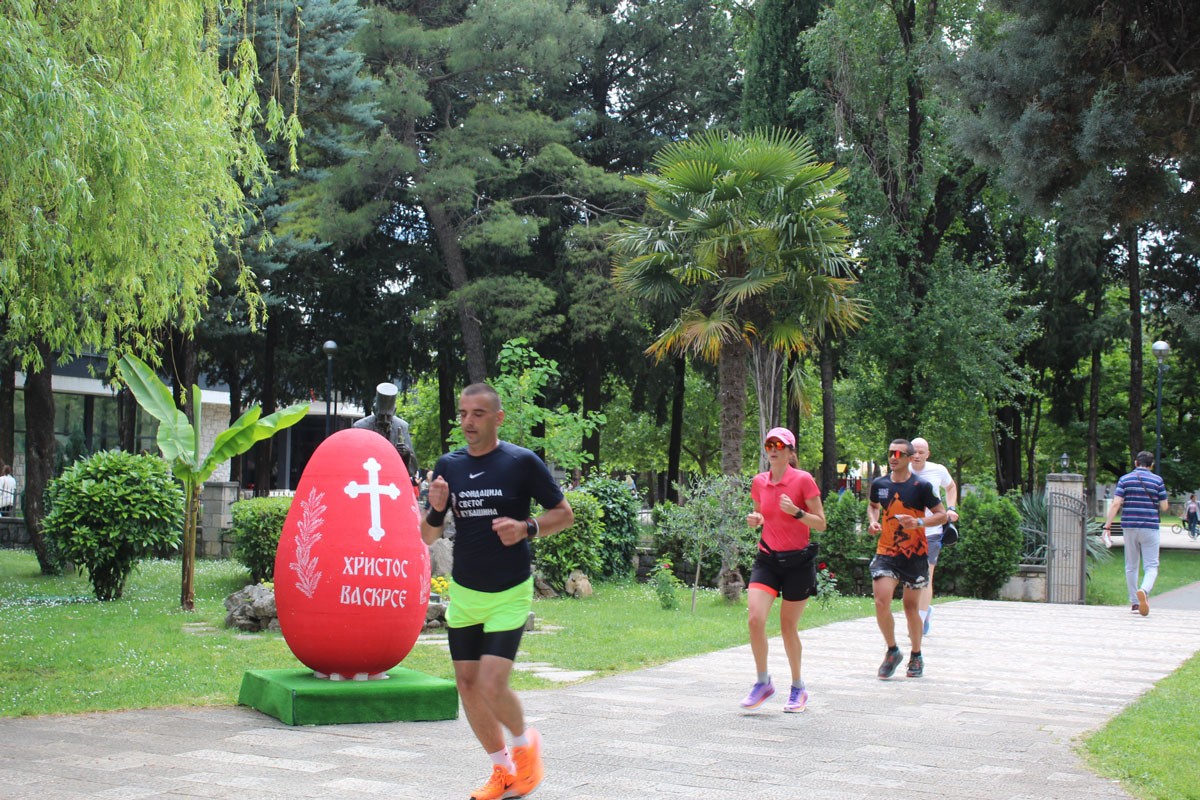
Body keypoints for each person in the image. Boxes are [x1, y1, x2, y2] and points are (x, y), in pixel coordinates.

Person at [420, 383, 574, 800]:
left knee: (491, 682)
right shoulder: (447, 466)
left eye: (478, 414)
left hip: (509, 590)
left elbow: (564, 514)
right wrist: (435, 507)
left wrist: (527, 528)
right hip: (466, 591)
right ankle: (502, 770)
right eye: (463, 414)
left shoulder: (521, 462)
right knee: (467, 685)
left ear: (498, 418)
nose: (468, 422)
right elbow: (428, 535)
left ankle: (526, 747)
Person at [741, 427, 826, 713]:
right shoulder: (759, 482)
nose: (773, 449)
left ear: (791, 451)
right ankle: (763, 682)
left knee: (788, 626)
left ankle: (798, 687)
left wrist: (798, 513)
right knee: (755, 619)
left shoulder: (803, 481)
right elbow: (763, 514)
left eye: (780, 445)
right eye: (769, 444)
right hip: (767, 559)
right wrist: (756, 519)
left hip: (798, 563)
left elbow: (821, 523)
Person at [866, 439, 947, 679]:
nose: (893, 457)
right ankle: (892, 650)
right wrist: (873, 520)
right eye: (891, 453)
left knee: (911, 607)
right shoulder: (879, 484)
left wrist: (919, 522)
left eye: (899, 453)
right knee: (881, 600)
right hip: (887, 552)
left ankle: (916, 654)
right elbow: (873, 505)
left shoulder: (921, 486)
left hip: (915, 554)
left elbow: (942, 515)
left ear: (909, 458)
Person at [1102, 451, 1168, 616]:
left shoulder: (1125, 479)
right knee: (1151, 566)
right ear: (1151, 465)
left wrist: (1107, 526)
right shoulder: (1157, 480)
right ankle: (1144, 591)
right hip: (1150, 527)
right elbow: (1165, 507)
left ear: (1135, 463)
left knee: (1131, 565)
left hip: (1129, 526)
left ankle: (1135, 603)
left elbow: (1116, 503)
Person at [909, 437, 958, 635]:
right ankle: (924, 612)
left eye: (922, 452)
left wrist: (951, 508)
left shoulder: (938, 470)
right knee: (912, 578)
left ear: (928, 454)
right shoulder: (902, 470)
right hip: (909, 533)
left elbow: (951, 487)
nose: (917, 455)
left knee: (926, 575)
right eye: (914, 451)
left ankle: (919, 622)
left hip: (932, 532)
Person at [353, 382, 420, 487]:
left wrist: (406, 454)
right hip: (367, 480)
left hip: (393, 482)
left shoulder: (402, 427)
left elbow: (413, 468)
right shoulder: (360, 427)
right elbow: (354, 460)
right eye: (381, 416)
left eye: (388, 416)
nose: (385, 420)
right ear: (374, 410)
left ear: (394, 411)